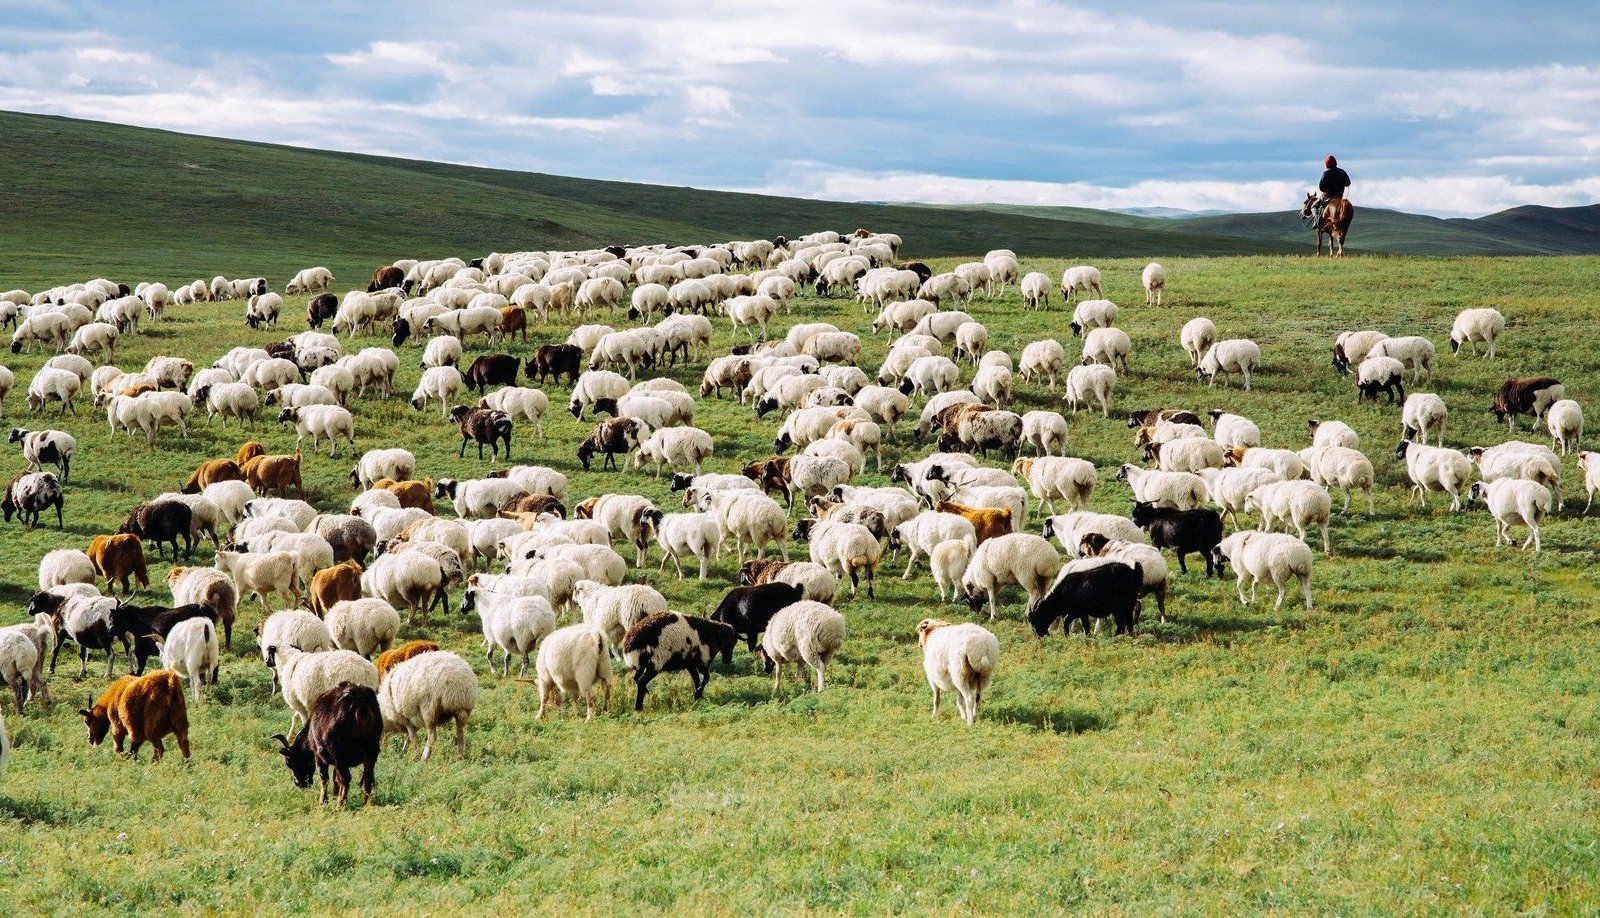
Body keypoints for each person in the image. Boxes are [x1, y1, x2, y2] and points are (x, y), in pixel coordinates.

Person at [1313, 155, 1351, 222]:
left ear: (1326, 164)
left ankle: (1317, 221)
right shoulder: (1342, 172)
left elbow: (1321, 188)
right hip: (1339, 197)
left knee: (1314, 206)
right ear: (1335, 162)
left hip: (1328, 198)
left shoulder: (1326, 173)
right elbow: (1348, 183)